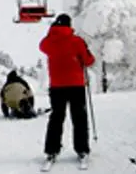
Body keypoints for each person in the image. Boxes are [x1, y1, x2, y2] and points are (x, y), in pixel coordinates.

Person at [39, 13, 95, 163]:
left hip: (57, 86)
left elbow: (42, 46)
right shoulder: (77, 41)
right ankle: (82, 149)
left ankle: (51, 149)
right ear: (70, 25)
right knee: (79, 118)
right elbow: (89, 61)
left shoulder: (49, 42)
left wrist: (51, 32)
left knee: (56, 118)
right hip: (76, 85)